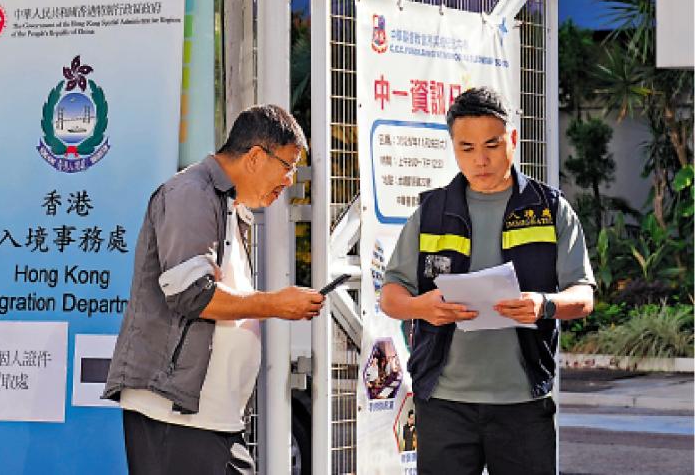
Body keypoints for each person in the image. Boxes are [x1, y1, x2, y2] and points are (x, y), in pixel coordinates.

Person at [380, 86, 595, 475]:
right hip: (443, 403)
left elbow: (583, 295)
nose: (480, 159)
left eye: (492, 145)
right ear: (453, 147)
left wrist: (543, 304)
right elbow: (391, 295)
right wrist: (420, 307)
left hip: (523, 403)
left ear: (513, 138)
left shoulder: (550, 210)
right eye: (466, 148)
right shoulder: (431, 213)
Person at [103, 104, 326, 475]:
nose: (289, 181)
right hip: (175, 416)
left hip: (208, 418)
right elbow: (192, 294)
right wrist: (275, 304)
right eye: (288, 166)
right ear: (256, 157)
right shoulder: (191, 194)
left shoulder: (227, 205)